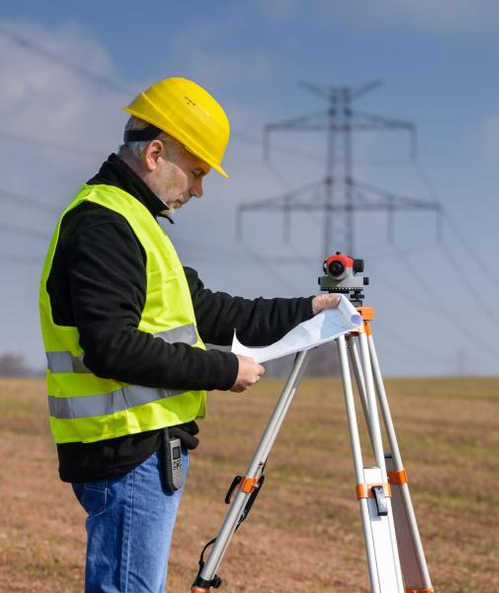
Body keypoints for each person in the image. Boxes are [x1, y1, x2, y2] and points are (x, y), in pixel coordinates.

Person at [37, 77, 340, 593]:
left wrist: (309, 310)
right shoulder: (104, 225)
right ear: (156, 153)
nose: (199, 189)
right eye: (196, 171)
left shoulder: (138, 223)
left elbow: (212, 312)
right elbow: (112, 346)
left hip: (142, 448)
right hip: (126, 450)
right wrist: (224, 370)